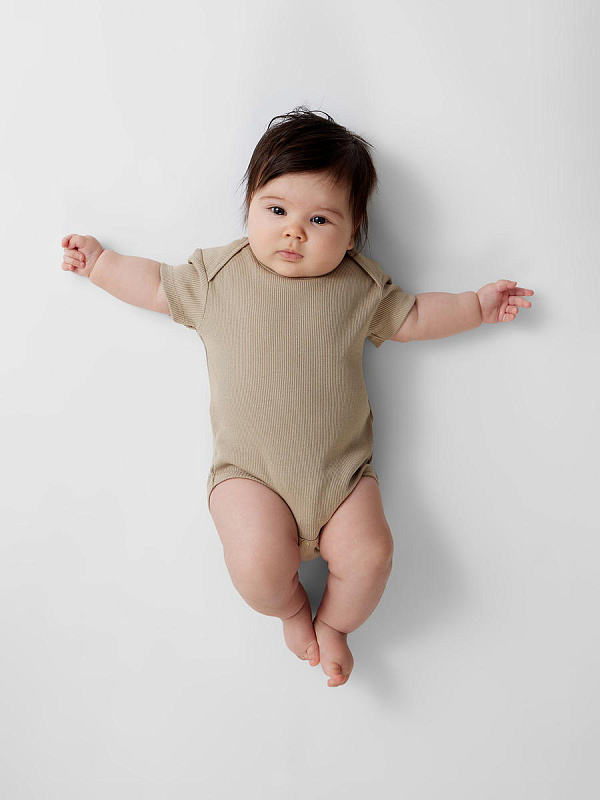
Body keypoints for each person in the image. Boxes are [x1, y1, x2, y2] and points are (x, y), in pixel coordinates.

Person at [60, 106, 534, 688]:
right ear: (250, 205)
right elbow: (157, 284)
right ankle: (291, 611)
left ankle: (333, 624)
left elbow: (413, 316)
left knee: (371, 554)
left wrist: (476, 307)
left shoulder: (359, 285)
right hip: (250, 476)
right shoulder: (218, 276)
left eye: (320, 219)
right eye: (277, 210)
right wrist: (101, 264)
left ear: (353, 232)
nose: (294, 231)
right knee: (256, 567)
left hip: (342, 478)